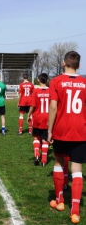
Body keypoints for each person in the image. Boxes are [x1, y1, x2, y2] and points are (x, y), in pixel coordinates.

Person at [48, 51, 86, 224]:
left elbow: (54, 108)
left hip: (61, 130)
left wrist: (49, 131)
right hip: (80, 131)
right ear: (78, 65)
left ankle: (60, 201)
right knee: (77, 170)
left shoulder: (55, 81)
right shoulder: (85, 83)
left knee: (58, 162)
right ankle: (75, 211)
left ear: (63, 63)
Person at [27, 73, 49, 166]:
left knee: (36, 137)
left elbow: (33, 105)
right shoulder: (51, 91)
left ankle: (36, 154)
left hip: (37, 117)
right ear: (47, 80)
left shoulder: (36, 91)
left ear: (38, 80)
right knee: (45, 139)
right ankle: (44, 159)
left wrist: (28, 115)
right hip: (48, 118)